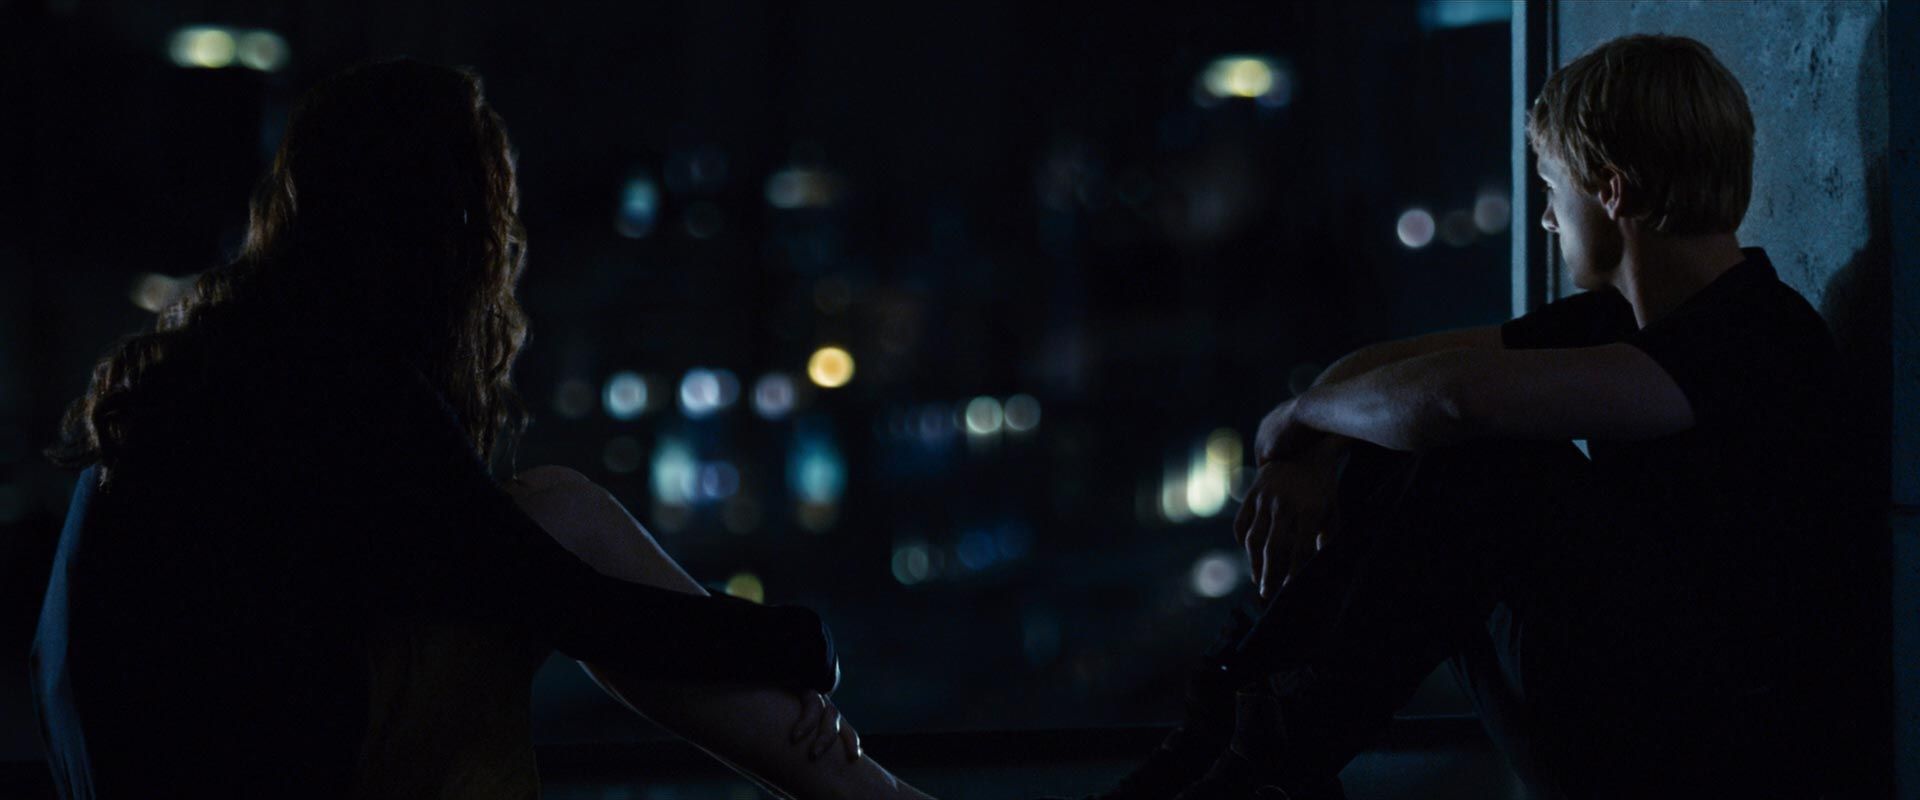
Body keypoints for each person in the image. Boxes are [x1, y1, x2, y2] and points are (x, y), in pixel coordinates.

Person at [30, 59, 931, 800]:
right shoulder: (343, 377)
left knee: (549, 531)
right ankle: (869, 794)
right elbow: (570, 601)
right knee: (561, 512)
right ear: (449, 229)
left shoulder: (238, 353)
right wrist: (801, 650)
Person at [1069, 34, 1864, 799]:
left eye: (1552, 189)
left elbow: (1453, 400)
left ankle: (1258, 760)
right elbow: (1395, 371)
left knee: (1489, 461)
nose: (1547, 219)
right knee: (1405, 440)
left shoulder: (1758, 339)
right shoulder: (1629, 324)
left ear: (1612, 191)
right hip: (1637, 720)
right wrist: (1307, 436)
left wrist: (1308, 415)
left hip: (1719, 762)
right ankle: (1231, 744)